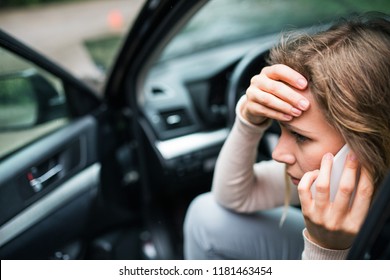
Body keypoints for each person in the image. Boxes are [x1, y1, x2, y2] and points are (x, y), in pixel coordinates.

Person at [183, 13, 390, 260]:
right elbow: (234, 197)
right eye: (278, 128)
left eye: (301, 137)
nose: (277, 153)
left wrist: (324, 252)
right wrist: (249, 119)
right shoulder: (337, 176)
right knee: (207, 215)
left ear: (369, 142)